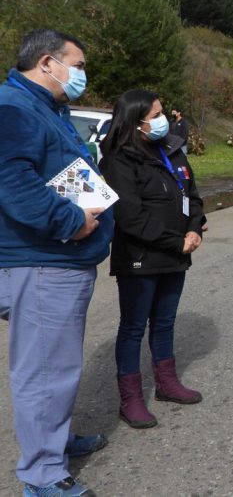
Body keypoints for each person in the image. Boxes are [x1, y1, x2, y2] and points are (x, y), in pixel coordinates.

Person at [0, 29, 114, 497]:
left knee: (55, 364)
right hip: (45, 259)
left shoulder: (46, 108)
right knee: (46, 369)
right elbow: (13, 182)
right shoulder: (15, 107)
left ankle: (54, 442)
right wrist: (70, 221)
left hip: (57, 259)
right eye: (79, 64)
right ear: (48, 62)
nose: (82, 74)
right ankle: (44, 476)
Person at [98, 89, 206, 430]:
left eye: (162, 113)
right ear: (135, 122)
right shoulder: (119, 160)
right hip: (141, 258)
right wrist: (177, 241)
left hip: (177, 254)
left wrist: (193, 229)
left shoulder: (171, 150)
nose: (163, 121)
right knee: (133, 327)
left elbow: (192, 194)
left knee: (165, 322)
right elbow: (131, 217)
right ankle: (130, 399)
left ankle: (167, 382)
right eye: (155, 115)